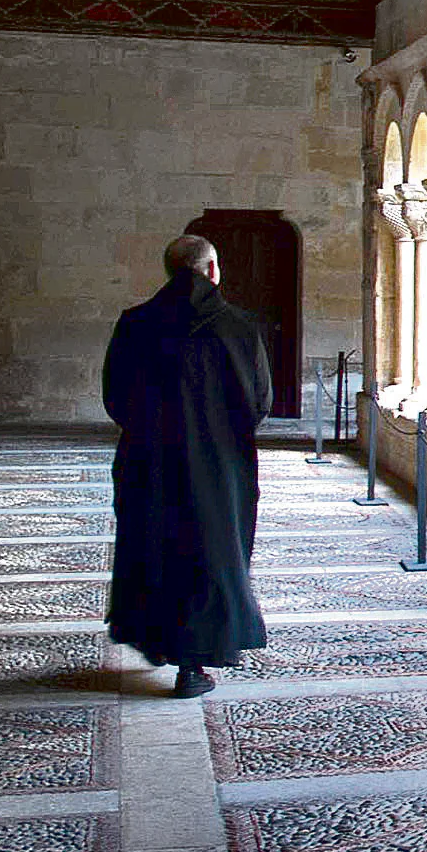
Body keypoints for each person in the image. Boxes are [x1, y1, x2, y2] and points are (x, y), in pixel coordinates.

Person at [103, 234, 272, 696]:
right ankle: (194, 665)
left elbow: (115, 398)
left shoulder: (136, 324)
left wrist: (153, 432)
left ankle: (161, 643)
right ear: (213, 271)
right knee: (212, 554)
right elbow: (260, 402)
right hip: (220, 468)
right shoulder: (240, 326)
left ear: (169, 271)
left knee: (156, 549)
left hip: (149, 463)